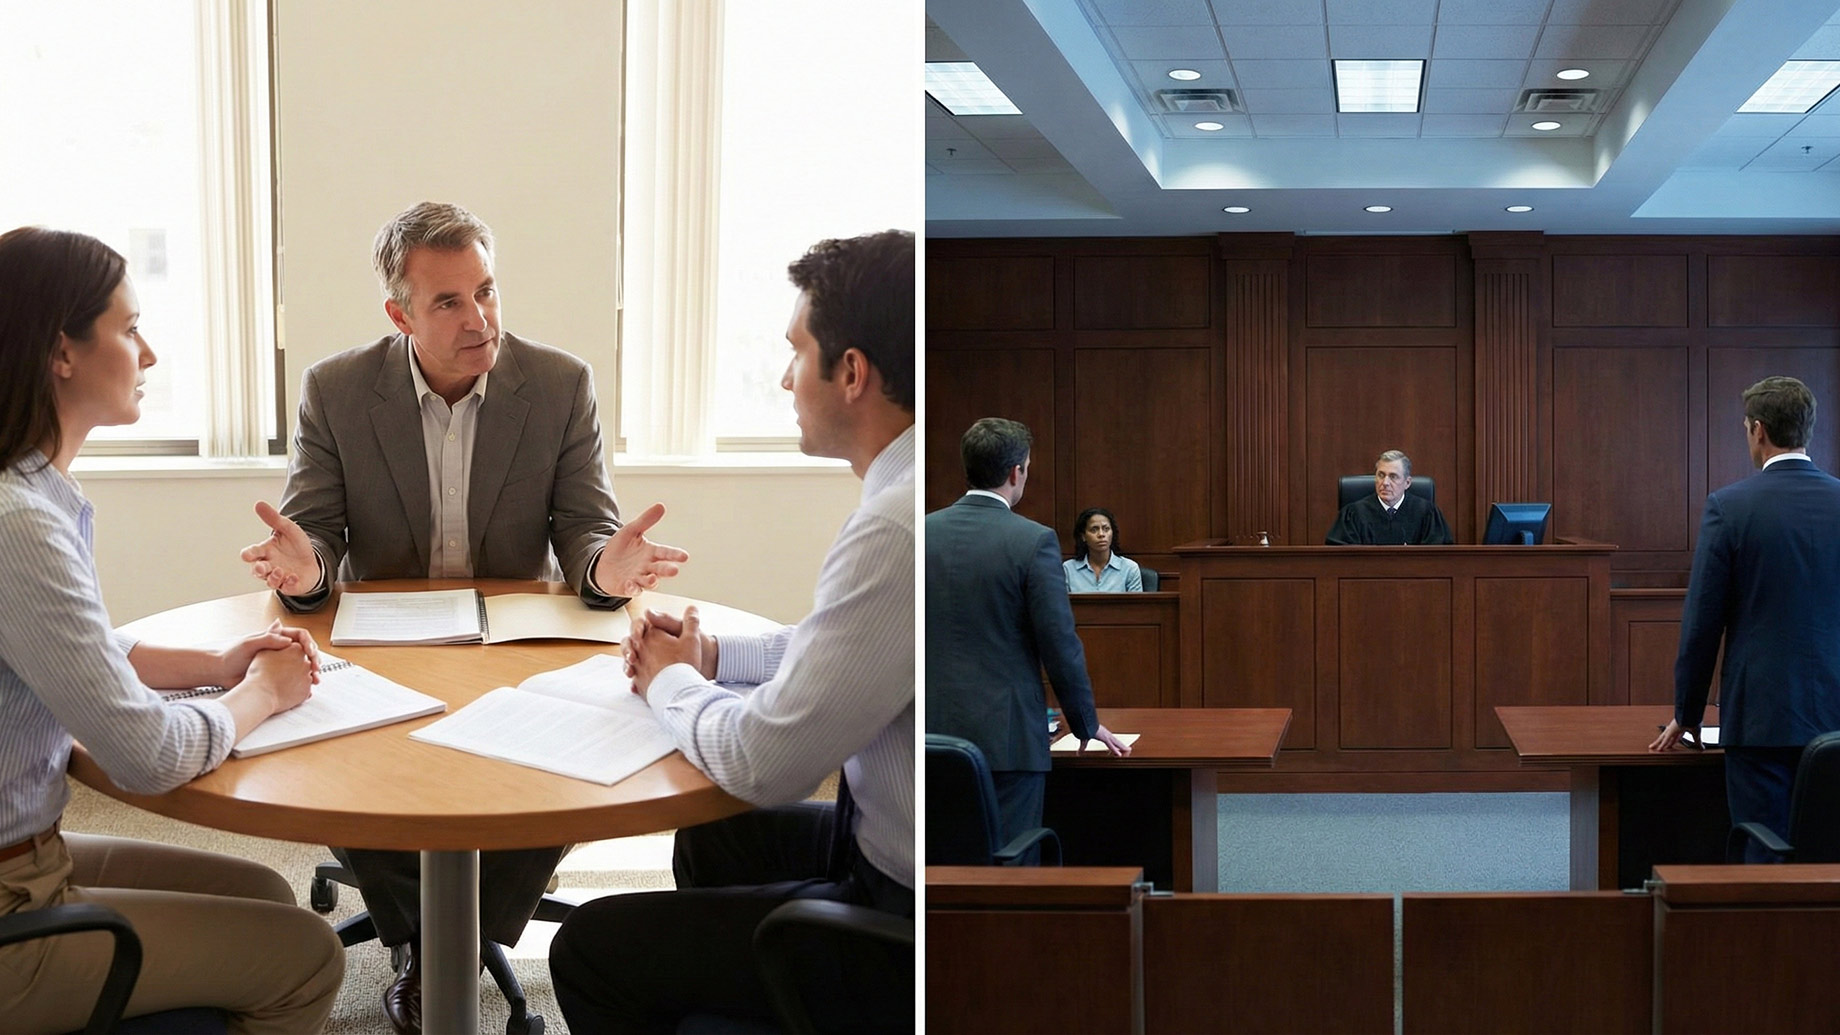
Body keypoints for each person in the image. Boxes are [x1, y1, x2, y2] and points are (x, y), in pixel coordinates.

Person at [235, 202, 688, 1034]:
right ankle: (423, 941)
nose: (478, 317)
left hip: (515, 643)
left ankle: (458, 942)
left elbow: (586, 529)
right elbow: (315, 536)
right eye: (448, 301)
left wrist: (604, 568)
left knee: (560, 760)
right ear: (400, 314)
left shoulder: (559, 383)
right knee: (336, 752)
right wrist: (307, 574)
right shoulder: (337, 389)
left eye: (486, 290)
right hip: (380, 643)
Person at [547, 230, 915, 1034]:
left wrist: (670, 680)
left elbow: (763, 763)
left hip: (903, 918)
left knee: (590, 947)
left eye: (797, 352)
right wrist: (711, 655)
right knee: (712, 842)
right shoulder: (909, 486)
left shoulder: (895, 526)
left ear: (852, 372)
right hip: (885, 840)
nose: (785, 377)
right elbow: (843, 648)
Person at [0, 226, 344, 1032]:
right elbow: (149, 756)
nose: (148, 353)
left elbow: (76, 650)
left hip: (33, 852)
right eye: (129, 329)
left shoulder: (31, 492)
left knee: (265, 891)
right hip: (14, 901)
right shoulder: (19, 523)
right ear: (61, 352)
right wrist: (262, 693)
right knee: (307, 956)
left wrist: (219, 662)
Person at [1650, 376, 1840, 862]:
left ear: (1758, 430)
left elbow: (1702, 624)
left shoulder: (1730, 507)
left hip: (1762, 721)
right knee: (1829, 853)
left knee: (1763, 853)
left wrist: (1687, 715)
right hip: (1835, 721)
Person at [927, 418, 1131, 852]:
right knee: (1007, 866)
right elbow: (1059, 644)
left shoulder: (923, 532)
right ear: (1016, 472)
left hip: (927, 737)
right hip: (1007, 742)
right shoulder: (1032, 541)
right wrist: (1086, 724)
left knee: (940, 861)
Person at [1326, 449, 1454, 545]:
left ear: (1407, 483)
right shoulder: (1354, 514)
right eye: (1381, 475)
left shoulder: (1427, 513)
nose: (1385, 483)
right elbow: (1341, 559)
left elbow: (1438, 559)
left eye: (1393, 477)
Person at [1064, 506, 1143, 592]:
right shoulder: (1068, 569)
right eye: (1094, 530)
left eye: (1106, 529)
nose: (1101, 534)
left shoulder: (1129, 568)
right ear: (1083, 536)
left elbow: (1136, 601)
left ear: (1112, 533)